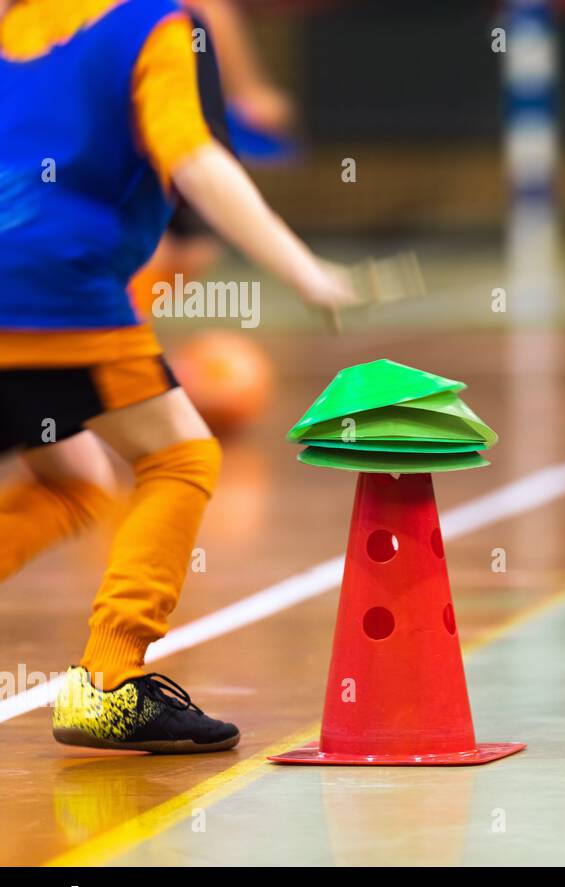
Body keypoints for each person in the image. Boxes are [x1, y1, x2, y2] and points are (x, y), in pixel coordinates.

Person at [0, 0, 356, 753]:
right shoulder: (152, 25)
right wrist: (301, 267)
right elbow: (191, 156)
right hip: (56, 289)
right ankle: (109, 684)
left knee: (75, 477)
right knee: (179, 455)